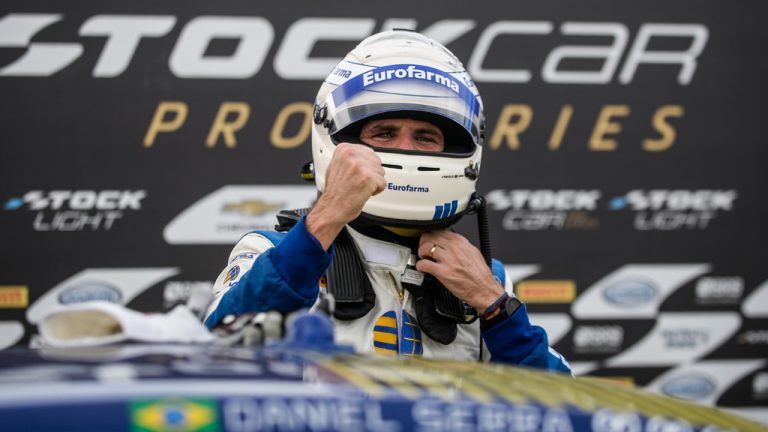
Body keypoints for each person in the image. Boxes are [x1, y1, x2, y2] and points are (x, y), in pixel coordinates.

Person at [204, 29, 570, 373]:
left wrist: (494, 305)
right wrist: (322, 223)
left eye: (425, 137)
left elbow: (562, 402)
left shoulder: (486, 277)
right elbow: (213, 354)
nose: (405, 150)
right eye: (384, 133)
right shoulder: (271, 252)